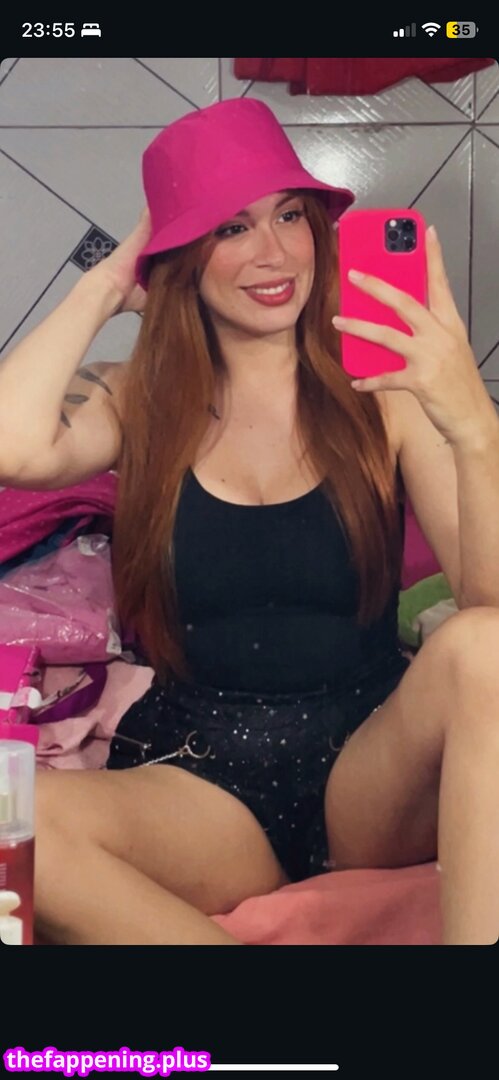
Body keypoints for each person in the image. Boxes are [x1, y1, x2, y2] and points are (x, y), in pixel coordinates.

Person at [1, 98, 498, 946]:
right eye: (231, 227)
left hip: (369, 774)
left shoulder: (385, 391)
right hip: (204, 780)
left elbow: (489, 604)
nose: (273, 253)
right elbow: (14, 450)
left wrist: (473, 426)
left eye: (290, 216)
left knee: (481, 644)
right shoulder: (135, 396)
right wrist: (108, 282)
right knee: (12, 813)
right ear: (181, 257)